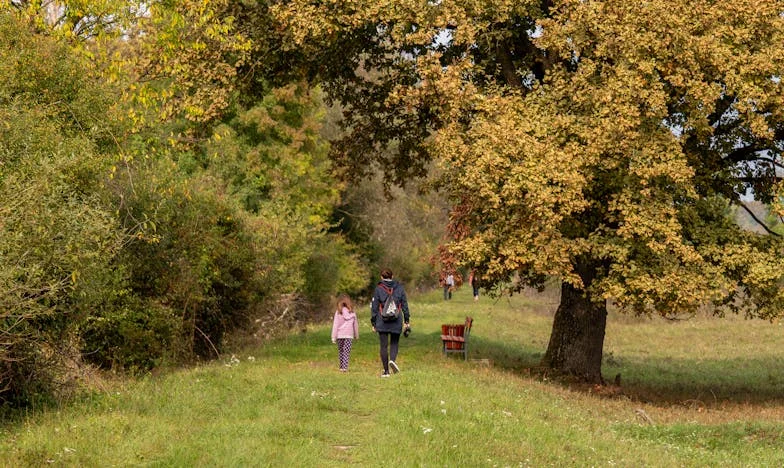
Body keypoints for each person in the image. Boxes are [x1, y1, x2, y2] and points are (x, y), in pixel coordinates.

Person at [371, 268, 410, 377]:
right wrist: (407, 320)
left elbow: (374, 307)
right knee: (394, 343)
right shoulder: (400, 288)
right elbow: (405, 306)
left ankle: (386, 371)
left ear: (381, 277)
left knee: (383, 346)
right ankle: (392, 360)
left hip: (382, 321)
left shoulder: (378, 289)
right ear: (392, 277)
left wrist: (373, 323)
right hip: (396, 319)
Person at [331, 294, 359, 372]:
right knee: (346, 351)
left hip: (340, 336)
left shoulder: (338, 313)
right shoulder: (352, 313)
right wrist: (356, 335)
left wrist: (333, 337)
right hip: (349, 336)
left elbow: (335, 325)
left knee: (341, 351)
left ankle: (341, 367)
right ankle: (345, 367)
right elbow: (355, 325)